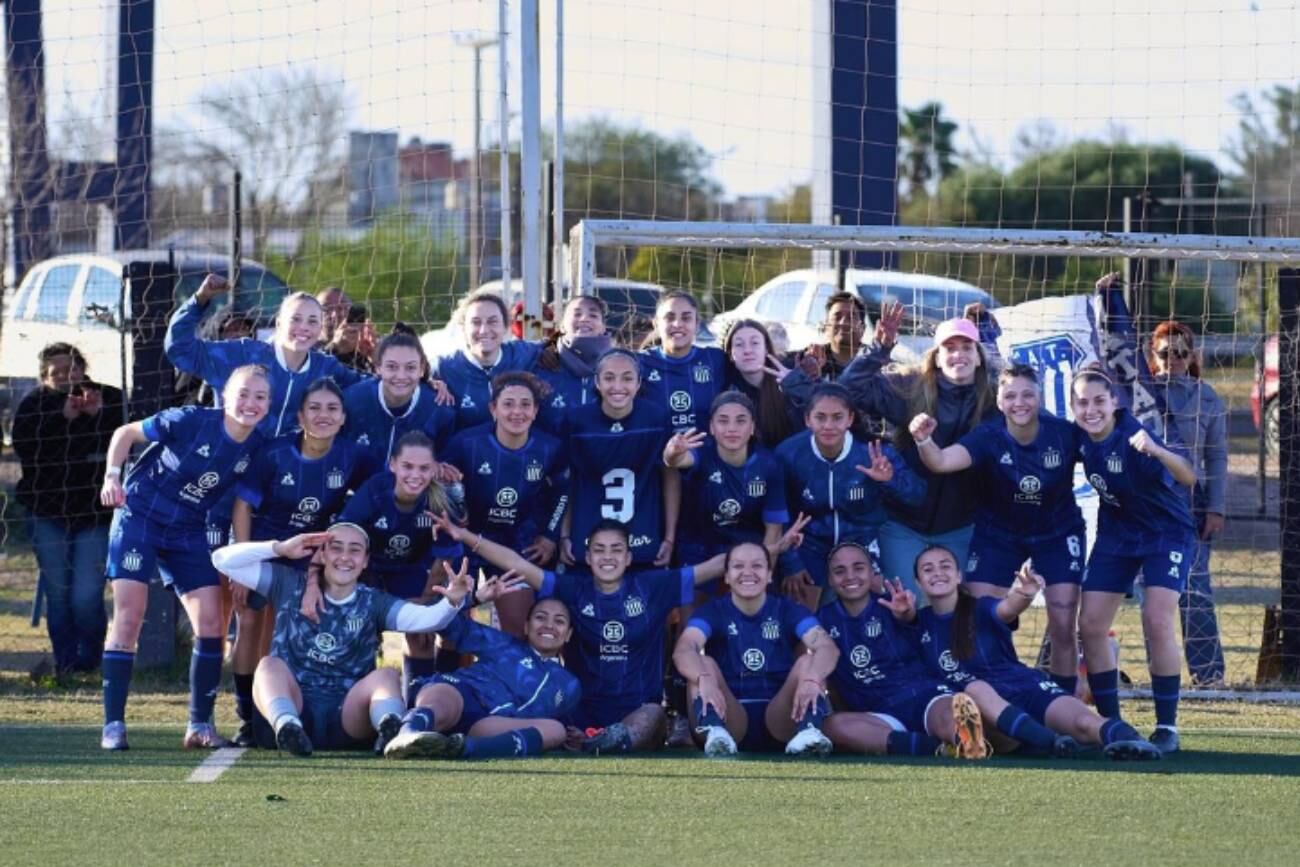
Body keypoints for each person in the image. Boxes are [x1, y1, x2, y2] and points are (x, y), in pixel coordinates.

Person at [98, 364, 270, 750]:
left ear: (269, 405)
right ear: (225, 396)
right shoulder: (190, 420)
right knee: (129, 615)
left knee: (211, 622)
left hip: (188, 530)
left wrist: (244, 563)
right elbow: (125, 433)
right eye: (243, 394)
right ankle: (113, 726)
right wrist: (112, 476)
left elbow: (243, 505)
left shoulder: (258, 447)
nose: (250, 403)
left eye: (260, 397)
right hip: (139, 517)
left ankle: (199, 727)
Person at [780, 308, 999, 591]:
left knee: (959, 610)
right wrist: (880, 349)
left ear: (979, 354)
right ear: (936, 355)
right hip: (903, 525)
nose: (959, 354)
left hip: (962, 526)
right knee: (906, 604)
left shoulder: (995, 401)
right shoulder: (911, 387)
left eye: (967, 347)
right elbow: (849, 391)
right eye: (950, 348)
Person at [210, 525, 473, 756]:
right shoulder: (288, 583)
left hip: (348, 719)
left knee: (387, 676)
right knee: (268, 665)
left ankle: (390, 730)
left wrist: (452, 601)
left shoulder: (374, 601)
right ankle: (287, 726)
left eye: (355, 550)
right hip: (295, 704)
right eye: (336, 548)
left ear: (366, 560)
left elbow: (427, 620)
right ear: (322, 554)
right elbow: (222, 560)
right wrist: (280, 548)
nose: (345, 557)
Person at [908, 364, 1086, 692]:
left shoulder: (1063, 433)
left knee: (1063, 624)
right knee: (978, 619)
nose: (1020, 402)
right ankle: (1005, 690)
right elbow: (941, 462)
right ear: (1000, 402)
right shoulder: (988, 435)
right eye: (1011, 396)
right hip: (999, 535)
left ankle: (1066, 707)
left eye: (1028, 394)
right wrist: (923, 440)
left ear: (1040, 398)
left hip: (1058, 533)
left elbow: (1104, 452)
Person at [227, 378, 377, 745]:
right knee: (248, 622)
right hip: (268, 548)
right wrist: (246, 560)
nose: (323, 415)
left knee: (291, 628)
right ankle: (246, 714)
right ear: (299, 415)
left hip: (310, 555)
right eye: (314, 408)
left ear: (343, 418)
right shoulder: (275, 453)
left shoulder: (352, 455)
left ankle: (294, 708)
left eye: (331, 409)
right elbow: (243, 505)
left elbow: (385, 483)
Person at [908, 545, 1162, 760]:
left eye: (945, 566)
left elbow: (1007, 608)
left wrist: (1025, 595)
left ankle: (1134, 742)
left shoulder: (980, 607)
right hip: (991, 714)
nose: (938, 573)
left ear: (959, 575)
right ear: (918, 582)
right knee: (974, 691)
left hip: (1024, 687)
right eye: (928, 569)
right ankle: (1053, 743)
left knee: (1084, 724)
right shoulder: (917, 624)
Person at [1071, 369, 1197, 754]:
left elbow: (1189, 476)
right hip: (1117, 535)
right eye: (1082, 402)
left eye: (1098, 401)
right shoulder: (1077, 435)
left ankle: (1167, 727)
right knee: (1090, 624)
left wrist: (1158, 451)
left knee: (1156, 618)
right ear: (1073, 406)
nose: (1090, 409)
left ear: (1114, 403)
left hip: (1165, 534)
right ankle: (1111, 724)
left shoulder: (1134, 440)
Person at [817, 543, 988, 759]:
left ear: (872, 573)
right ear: (830, 580)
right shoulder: (822, 620)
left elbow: (914, 623)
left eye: (859, 568)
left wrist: (908, 615)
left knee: (948, 711)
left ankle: (964, 739)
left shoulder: (895, 603)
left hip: (923, 696)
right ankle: (935, 748)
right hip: (878, 716)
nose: (850, 576)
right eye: (839, 571)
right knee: (834, 726)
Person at [13, 343, 124, 677]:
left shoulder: (109, 397)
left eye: (70, 369)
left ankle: (90, 660)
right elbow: (26, 450)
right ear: (43, 377)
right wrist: (61, 420)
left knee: (86, 595)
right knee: (58, 593)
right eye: (55, 373)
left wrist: (99, 415)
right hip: (47, 512)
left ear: (83, 367)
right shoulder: (34, 405)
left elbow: (127, 438)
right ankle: (66, 663)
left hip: (94, 513)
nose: (64, 377)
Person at [673, 541, 839, 757]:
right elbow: (684, 649)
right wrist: (704, 677)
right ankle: (716, 733)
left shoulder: (787, 609)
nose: (748, 573)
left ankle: (808, 732)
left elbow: (827, 647)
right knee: (703, 664)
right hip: (730, 715)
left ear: (770, 574)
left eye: (758, 566)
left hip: (781, 717)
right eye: (738, 566)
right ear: (726, 576)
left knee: (809, 663)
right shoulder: (712, 611)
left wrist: (812, 679)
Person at [337, 431, 464, 699]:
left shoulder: (438, 500)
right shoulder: (374, 491)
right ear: (393, 464)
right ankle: (355, 702)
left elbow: (445, 558)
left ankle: (420, 705)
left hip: (413, 572)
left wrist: (427, 601)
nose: (414, 475)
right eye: (407, 466)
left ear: (434, 469)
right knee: (357, 629)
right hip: (370, 571)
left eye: (423, 468)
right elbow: (343, 538)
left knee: (421, 633)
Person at [440, 372, 568, 636]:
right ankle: (451, 675)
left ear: (535, 411)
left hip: (519, 541)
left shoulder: (550, 447)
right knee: (453, 626)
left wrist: (549, 536)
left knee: (518, 627)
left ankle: (513, 675)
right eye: (508, 404)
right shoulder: (465, 443)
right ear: (493, 409)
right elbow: (441, 486)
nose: (517, 412)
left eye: (525, 405)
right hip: (467, 537)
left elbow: (563, 492)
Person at [775, 382, 924, 608]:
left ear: (850, 419)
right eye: (820, 417)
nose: (828, 425)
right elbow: (777, 512)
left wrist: (890, 480)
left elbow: (917, 496)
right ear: (807, 419)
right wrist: (791, 563)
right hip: (809, 544)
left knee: (873, 609)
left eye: (837, 417)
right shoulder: (790, 453)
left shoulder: (874, 451)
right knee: (799, 610)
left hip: (862, 541)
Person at [383, 594, 580, 761]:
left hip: (493, 723)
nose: (549, 626)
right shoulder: (502, 643)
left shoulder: (570, 684)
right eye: (541, 618)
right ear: (526, 626)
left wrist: (577, 736)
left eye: (559, 621)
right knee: (444, 699)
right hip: (462, 692)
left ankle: (460, 748)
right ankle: (407, 734)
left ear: (569, 634)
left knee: (556, 730)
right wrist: (474, 599)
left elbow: (569, 724)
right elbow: (445, 622)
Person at [166, 274, 365, 437]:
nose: (303, 327)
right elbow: (180, 349)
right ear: (279, 323)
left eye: (312, 321)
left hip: (282, 473)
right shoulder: (242, 354)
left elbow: (372, 392)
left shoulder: (325, 369)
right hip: (228, 466)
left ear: (320, 328)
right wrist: (199, 300)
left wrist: (376, 356)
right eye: (296, 319)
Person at [1149, 320, 1228, 686]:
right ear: (1153, 355)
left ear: (1192, 355)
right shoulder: (1140, 392)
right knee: (1125, 590)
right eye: (1166, 353)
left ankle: (1208, 674)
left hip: (1192, 508)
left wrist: (1216, 508)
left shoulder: (1208, 396)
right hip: (1145, 507)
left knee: (1195, 589)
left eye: (1181, 352)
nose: (1174, 360)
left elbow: (1218, 458)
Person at [560, 349, 677, 569]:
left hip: (643, 536)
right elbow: (568, 482)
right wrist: (564, 534)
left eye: (627, 378)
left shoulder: (656, 417)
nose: (618, 386)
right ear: (597, 381)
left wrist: (669, 537)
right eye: (609, 378)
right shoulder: (577, 420)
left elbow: (670, 476)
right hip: (588, 537)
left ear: (639, 382)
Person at [663, 391, 789, 585]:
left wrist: (763, 577)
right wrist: (672, 452)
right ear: (712, 427)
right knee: (695, 610)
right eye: (723, 421)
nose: (732, 428)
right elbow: (676, 461)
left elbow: (773, 530)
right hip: (699, 547)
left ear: (753, 427)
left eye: (740, 421)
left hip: (748, 548)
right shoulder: (702, 451)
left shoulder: (769, 465)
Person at [430, 290, 543, 432]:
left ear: (505, 327)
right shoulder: (444, 367)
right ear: (463, 328)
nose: (484, 330)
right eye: (476, 322)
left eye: (493, 322)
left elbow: (559, 341)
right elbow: (411, 373)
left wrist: (553, 350)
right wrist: (428, 382)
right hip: (466, 452)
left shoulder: (522, 354)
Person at [343, 330, 455, 467]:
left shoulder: (439, 409)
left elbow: (442, 463)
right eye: (391, 367)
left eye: (410, 367)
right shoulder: (352, 401)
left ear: (421, 369)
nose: (401, 376)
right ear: (378, 367)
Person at [638, 290, 728, 432]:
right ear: (656, 324)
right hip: (657, 451)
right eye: (669, 317)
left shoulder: (716, 359)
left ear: (697, 324)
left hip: (707, 450)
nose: (678, 324)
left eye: (686, 318)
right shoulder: (639, 363)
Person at [534, 294, 611, 435]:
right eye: (577, 314)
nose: (584, 319)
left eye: (593, 316)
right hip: (552, 453)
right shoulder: (540, 358)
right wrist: (549, 344)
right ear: (562, 325)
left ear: (603, 327)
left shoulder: (618, 365)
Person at [722, 319, 800, 448]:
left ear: (766, 349)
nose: (747, 350)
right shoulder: (727, 390)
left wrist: (797, 386)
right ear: (730, 355)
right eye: (739, 345)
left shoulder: (788, 379)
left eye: (755, 343)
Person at [797, 291, 866, 381]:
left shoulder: (877, 362)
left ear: (863, 328)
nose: (843, 323)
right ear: (826, 326)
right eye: (837, 317)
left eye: (851, 318)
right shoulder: (810, 359)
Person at [327, 303, 376, 374]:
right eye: (327, 308)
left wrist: (375, 358)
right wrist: (334, 348)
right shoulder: (309, 347)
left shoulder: (369, 346)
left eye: (342, 308)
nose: (335, 315)